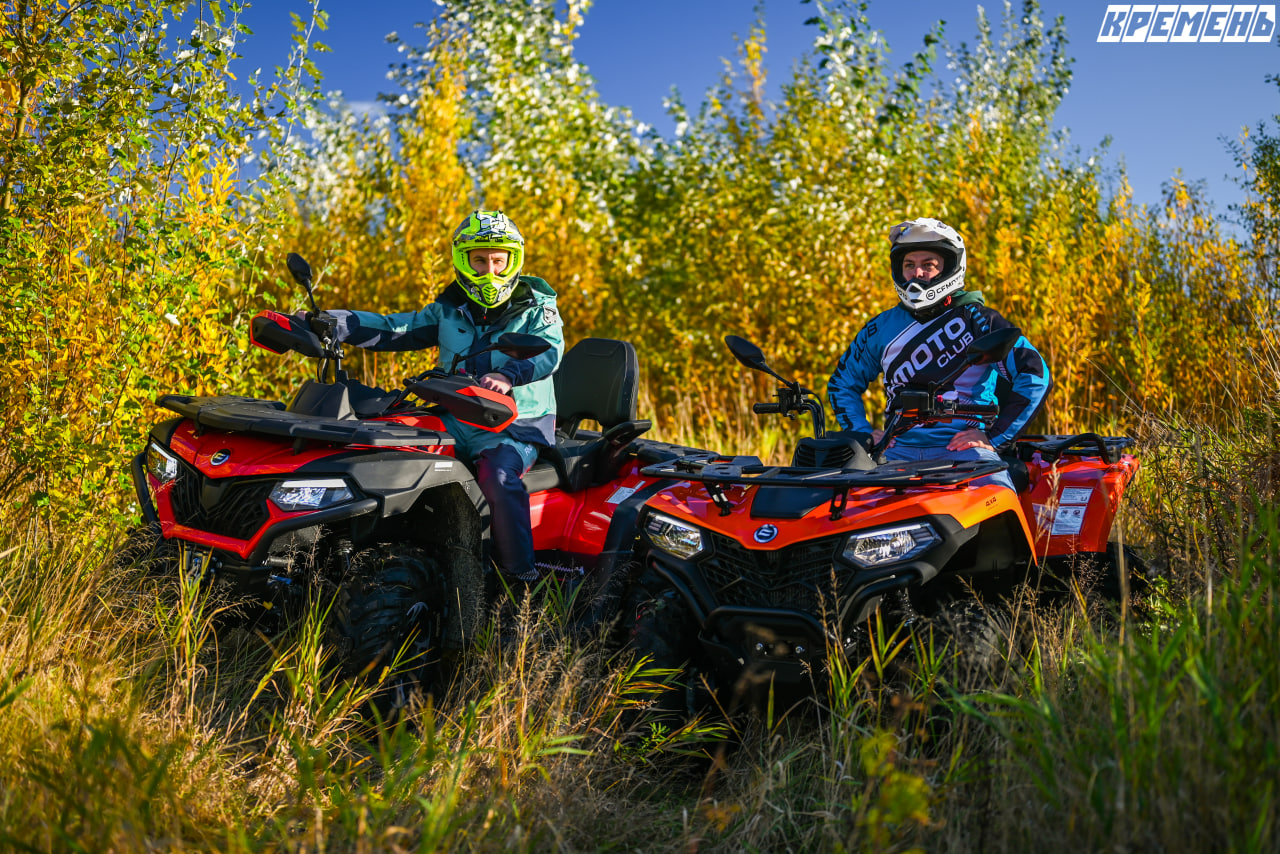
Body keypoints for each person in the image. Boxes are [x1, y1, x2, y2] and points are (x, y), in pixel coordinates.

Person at [309, 210, 564, 583]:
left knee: (498, 476)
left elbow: (549, 352)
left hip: (514, 425)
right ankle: (366, 557)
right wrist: (332, 322)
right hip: (455, 416)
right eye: (479, 261)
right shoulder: (449, 308)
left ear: (514, 260)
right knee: (386, 445)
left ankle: (519, 581)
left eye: (498, 261)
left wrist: (508, 375)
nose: (490, 271)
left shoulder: (539, 308)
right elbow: (398, 327)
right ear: (462, 260)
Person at [827, 217, 1051, 490]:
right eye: (909, 265)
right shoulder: (879, 328)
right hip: (895, 451)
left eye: (929, 264)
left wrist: (995, 438)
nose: (917, 273)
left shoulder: (980, 320)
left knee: (996, 497)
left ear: (951, 266)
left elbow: (1035, 375)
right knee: (844, 503)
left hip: (964, 451)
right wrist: (863, 435)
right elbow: (842, 384)